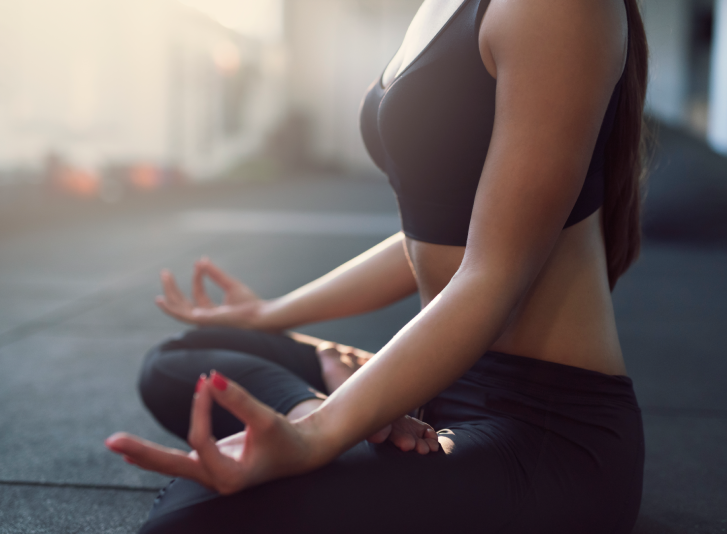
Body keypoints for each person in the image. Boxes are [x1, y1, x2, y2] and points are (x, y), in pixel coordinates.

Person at [106, 0, 649, 531]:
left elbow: (493, 273)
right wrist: (269, 316)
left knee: (195, 514)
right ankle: (312, 405)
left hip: (546, 428)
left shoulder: (558, 7)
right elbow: (429, 240)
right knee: (180, 360)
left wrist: (323, 432)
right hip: (442, 387)